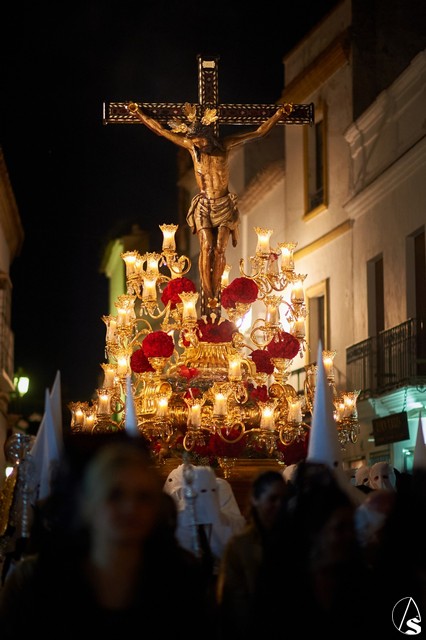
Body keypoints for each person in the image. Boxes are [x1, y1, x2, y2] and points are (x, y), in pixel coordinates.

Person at [0, 439, 214, 639]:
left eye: (143, 497)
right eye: (115, 495)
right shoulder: (36, 581)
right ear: (88, 504)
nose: (130, 508)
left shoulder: (180, 579)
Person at [127, 100, 292, 303]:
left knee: (219, 248)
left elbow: (258, 132)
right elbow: (161, 130)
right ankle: (209, 293)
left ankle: (216, 290)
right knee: (206, 246)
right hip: (204, 205)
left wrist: (279, 115)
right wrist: (139, 114)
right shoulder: (192, 149)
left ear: (207, 136)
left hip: (224, 205)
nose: (198, 146)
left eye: (200, 142)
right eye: (194, 142)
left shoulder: (225, 146)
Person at [216, 470, 288, 639]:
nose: (279, 506)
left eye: (284, 499)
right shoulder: (240, 546)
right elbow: (233, 601)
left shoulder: (296, 539)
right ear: (256, 499)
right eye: (272, 499)